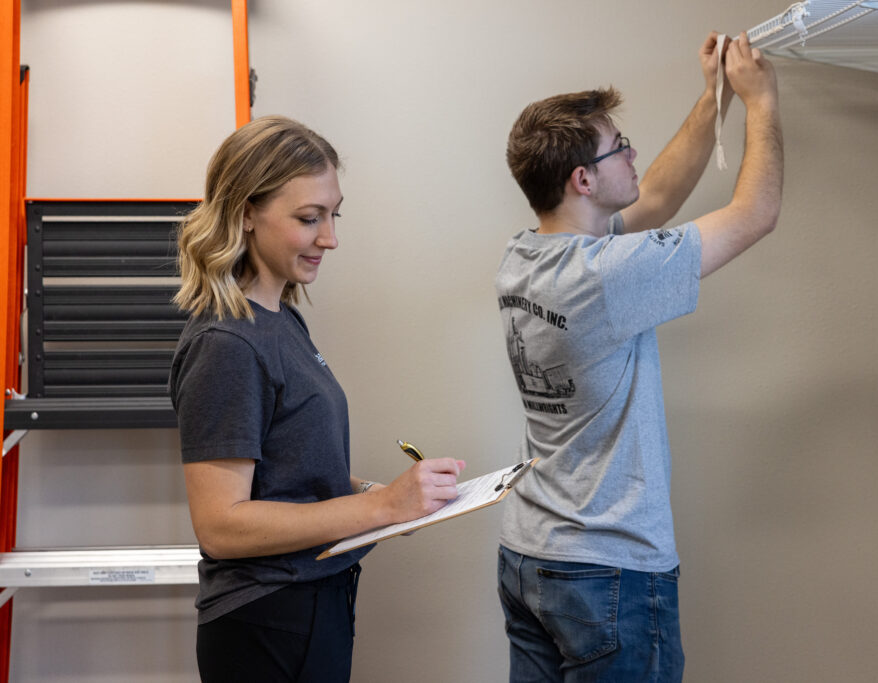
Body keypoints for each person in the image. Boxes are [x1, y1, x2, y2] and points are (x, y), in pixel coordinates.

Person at [495, 32, 782, 681]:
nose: (633, 154)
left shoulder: (523, 256)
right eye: (618, 147)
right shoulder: (605, 275)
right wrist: (762, 101)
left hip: (529, 552)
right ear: (584, 178)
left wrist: (717, 95)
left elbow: (654, 198)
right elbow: (756, 213)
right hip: (608, 572)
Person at [169, 115, 465, 682]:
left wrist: (387, 496)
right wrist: (379, 509)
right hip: (266, 619)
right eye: (309, 218)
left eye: (333, 215)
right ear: (246, 212)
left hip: (314, 601)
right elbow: (221, 524)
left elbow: (289, 474)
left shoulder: (282, 320)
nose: (330, 237)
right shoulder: (227, 342)